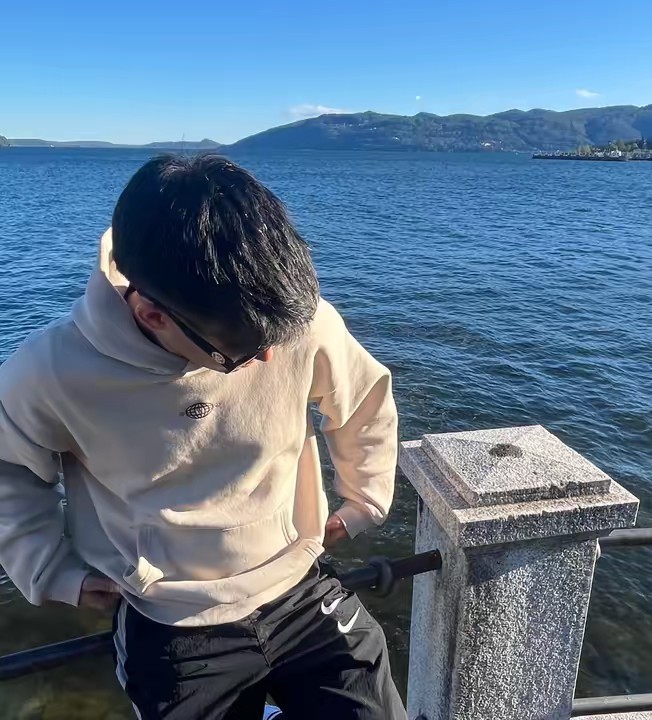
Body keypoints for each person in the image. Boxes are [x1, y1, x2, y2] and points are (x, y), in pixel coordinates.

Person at [0, 155, 407, 720]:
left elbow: (364, 398)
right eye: (243, 350)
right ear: (153, 316)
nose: (270, 356)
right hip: (170, 618)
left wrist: (363, 501)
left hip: (299, 583)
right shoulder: (48, 371)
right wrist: (50, 569)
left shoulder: (283, 318)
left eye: (276, 340)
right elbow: (11, 471)